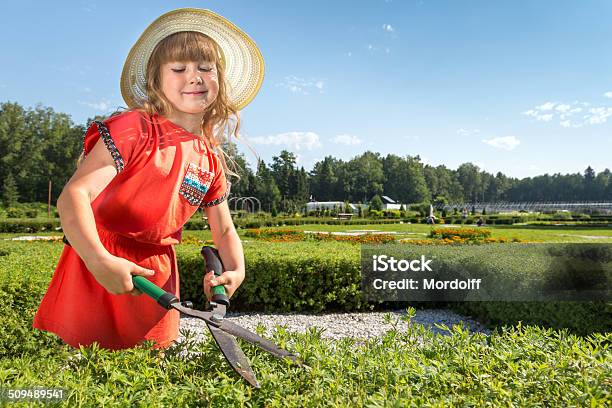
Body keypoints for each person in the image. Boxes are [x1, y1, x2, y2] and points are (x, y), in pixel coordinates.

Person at [33, 8, 265, 350]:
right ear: (156, 80)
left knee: (149, 370)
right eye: (179, 68)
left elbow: (225, 229)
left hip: (158, 271)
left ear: (219, 79)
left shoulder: (209, 158)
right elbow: (74, 196)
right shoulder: (134, 128)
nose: (195, 76)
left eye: (205, 68)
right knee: (84, 365)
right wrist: (98, 260)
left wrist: (236, 270)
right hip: (100, 257)